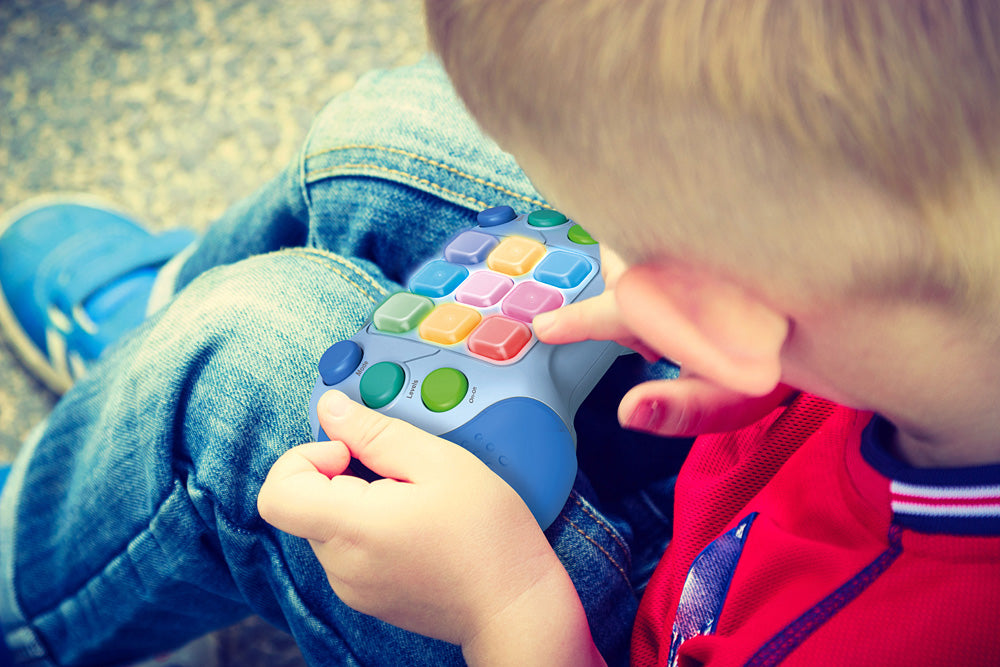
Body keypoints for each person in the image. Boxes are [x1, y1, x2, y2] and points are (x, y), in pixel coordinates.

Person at [2, 1, 998, 665]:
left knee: (246, 362)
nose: (588, 224)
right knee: (386, 140)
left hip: (602, 635)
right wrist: (801, 379)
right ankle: (157, 329)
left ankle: (106, 509)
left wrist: (510, 611)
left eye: (613, 224)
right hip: (813, 385)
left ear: (711, 310)